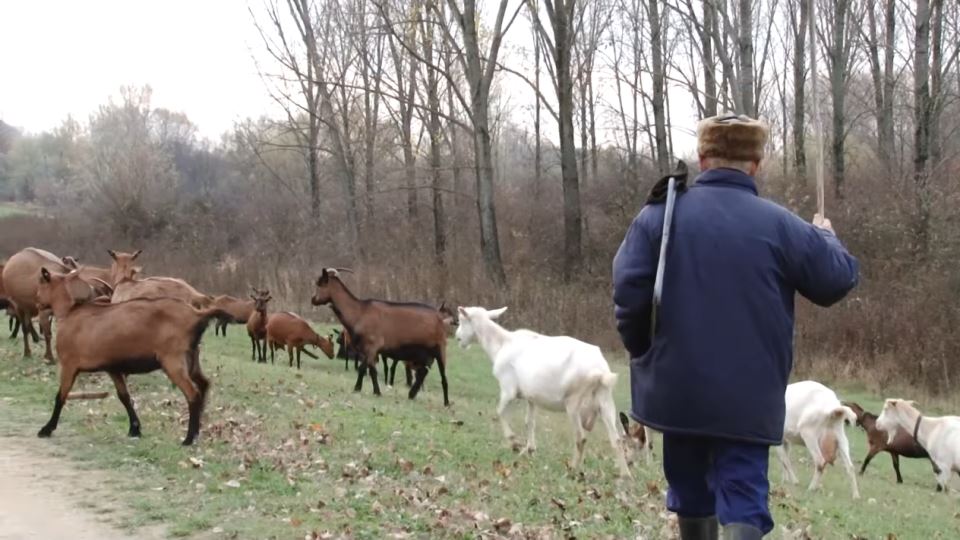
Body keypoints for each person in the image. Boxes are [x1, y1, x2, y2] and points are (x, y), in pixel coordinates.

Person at [612, 114, 859, 540]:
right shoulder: (781, 226)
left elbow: (628, 292)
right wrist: (827, 238)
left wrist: (645, 352)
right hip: (749, 395)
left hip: (678, 388)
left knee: (689, 491)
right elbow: (835, 280)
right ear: (757, 164)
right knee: (744, 495)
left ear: (703, 157)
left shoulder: (658, 218)